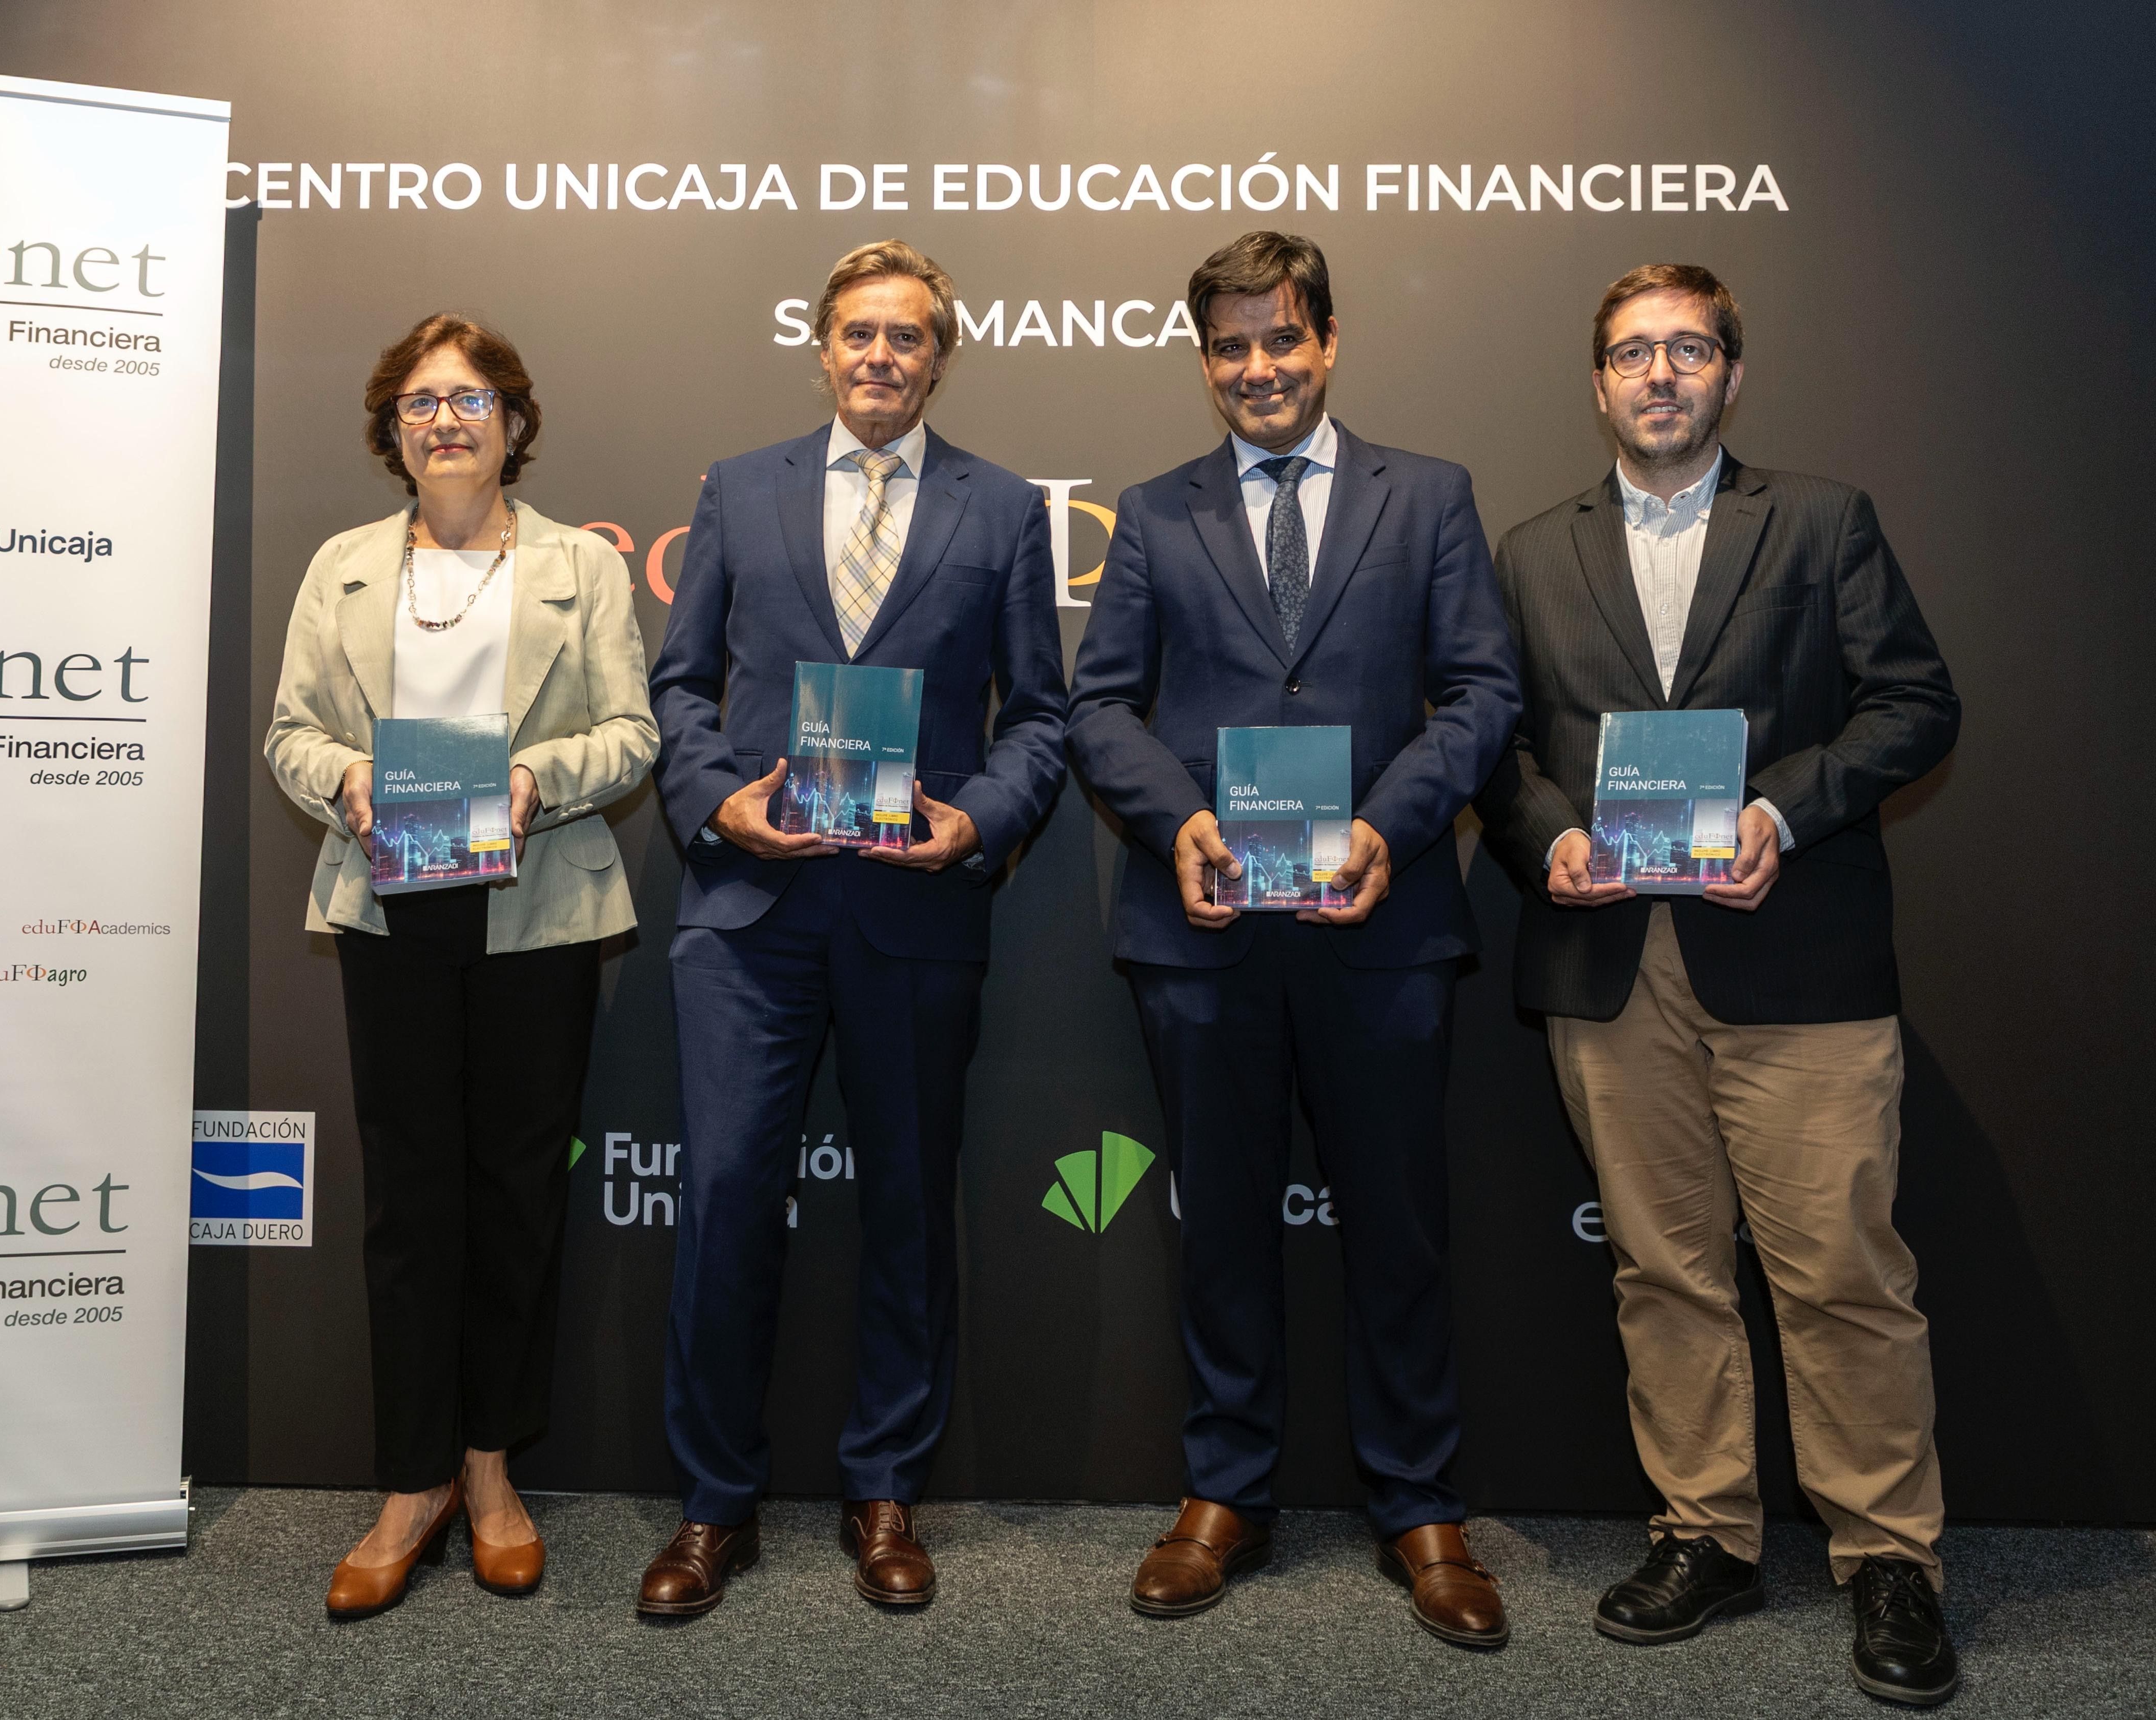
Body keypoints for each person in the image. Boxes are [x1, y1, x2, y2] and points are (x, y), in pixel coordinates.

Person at [1474, 264, 1962, 1706]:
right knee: (1664, 1271)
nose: (1661, 374)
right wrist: (1549, 835)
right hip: (1613, 966)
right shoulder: (1532, 550)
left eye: (1688, 349)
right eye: (1633, 353)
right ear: (1599, 382)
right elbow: (1496, 745)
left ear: (1731, 375)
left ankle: (1888, 1555)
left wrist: (1781, 811)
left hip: (1795, 955)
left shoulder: (1819, 520)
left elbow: (1916, 703)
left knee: (1842, 1275)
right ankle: (1706, 1531)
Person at [1065, 232, 1521, 1641]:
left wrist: (1388, 826)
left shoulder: (1428, 495)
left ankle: (1418, 1501)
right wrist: (1181, 820)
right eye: (1230, 346)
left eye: (1281, 338)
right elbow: (1098, 707)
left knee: (1398, 1225)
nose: (1257, 367)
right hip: (1205, 926)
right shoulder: (1155, 512)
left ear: (1328, 340)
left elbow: (1482, 693)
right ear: (1204, 361)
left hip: (1382, 922)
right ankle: (1226, 1490)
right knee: (1221, 1229)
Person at [639, 239, 1067, 1616]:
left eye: (908, 336)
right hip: (750, 912)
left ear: (940, 357)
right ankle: (713, 1502)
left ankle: (885, 1488)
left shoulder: (1004, 508)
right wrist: (717, 802)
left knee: (908, 1207)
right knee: (723, 1202)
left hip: (913, 908)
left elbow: (1040, 714)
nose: (882, 355)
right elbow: (679, 687)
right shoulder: (738, 487)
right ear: (821, 346)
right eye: (860, 333)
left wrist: (977, 822)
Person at [263, 315, 659, 1620]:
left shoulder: (578, 566)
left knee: (515, 1198)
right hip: (393, 909)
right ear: (392, 429)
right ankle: (411, 1479)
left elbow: (631, 734)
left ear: (514, 421)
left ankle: (490, 1470)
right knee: (408, 1205)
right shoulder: (341, 567)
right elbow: (289, 735)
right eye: (421, 402)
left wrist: (540, 776)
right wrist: (347, 779)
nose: (446, 420)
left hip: (533, 906)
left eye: (472, 398)